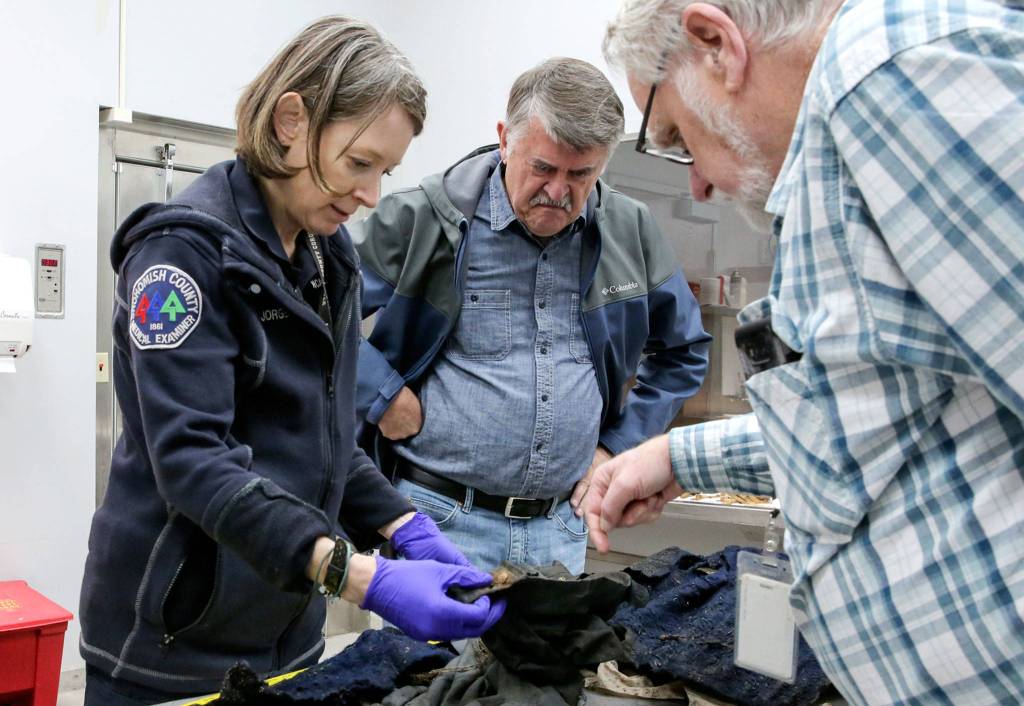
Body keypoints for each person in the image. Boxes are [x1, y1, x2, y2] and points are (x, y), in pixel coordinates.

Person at [587, 1, 1024, 704]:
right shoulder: (844, 145)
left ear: (716, 45)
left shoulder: (885, 78)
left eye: (675, 137)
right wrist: (673, 457)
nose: (693, 181)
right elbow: (867, 420)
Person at [79, 17, 503, 705]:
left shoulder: (325, 256)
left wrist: (402, 525)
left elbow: (323, 437)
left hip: (285, 629)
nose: (370, 195)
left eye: (385, 172)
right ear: (290, 120)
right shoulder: (183, 259)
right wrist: (360, 579)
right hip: (172, 644)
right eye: (359, 163)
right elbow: (193, 463)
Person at [351, 57, 710, 575]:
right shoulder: (428, 217)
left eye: (580, 174)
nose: (558, 192)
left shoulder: (630, 230)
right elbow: (314, 306)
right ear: (504, 140)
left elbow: (684, 350)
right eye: (543, 168)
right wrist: (379, 393)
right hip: (440, 520)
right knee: (428, 661)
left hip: (562, 528)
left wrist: (620, 446)